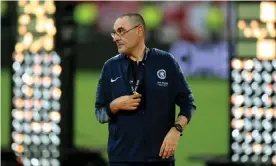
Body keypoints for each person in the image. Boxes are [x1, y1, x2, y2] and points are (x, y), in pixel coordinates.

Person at [95, 13, 196, 166]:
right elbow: (100, 114)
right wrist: (115, 105)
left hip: (160, 159)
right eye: (114, 32)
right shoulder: (110, 67)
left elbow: (188, 104)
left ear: (139, 30)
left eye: (121, 31)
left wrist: (176, 130)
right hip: (121, 159)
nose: (115, 38)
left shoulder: (165, 61)